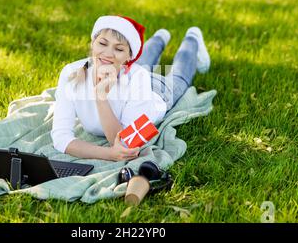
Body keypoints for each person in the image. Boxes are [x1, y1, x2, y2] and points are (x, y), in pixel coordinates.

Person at [51, 15, 210, 161]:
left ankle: (193, 38)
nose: (108, 53)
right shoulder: (71, 72)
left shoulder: (137, 76)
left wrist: (101, 98)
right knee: (141, 64)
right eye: (102, 43)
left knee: (179, 75)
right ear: (93, 43)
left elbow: (124, 142)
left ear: (129, 57)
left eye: (119, 49)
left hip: (157, 93)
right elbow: (60, 137)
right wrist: (109, 154)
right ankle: (160, 37)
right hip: (128, 72)